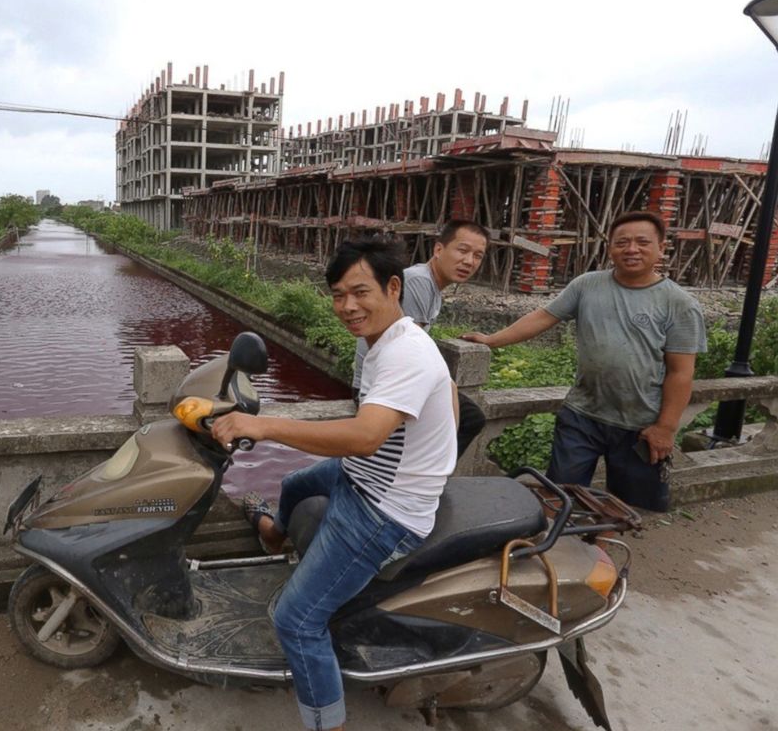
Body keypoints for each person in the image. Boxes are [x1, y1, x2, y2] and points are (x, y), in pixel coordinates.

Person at [212, 239, 457, 731]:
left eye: (359, 292)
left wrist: (263, 425)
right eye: (338, 294)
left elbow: (366, 437)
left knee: (296, 622)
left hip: (383, 510)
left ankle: (329, 724)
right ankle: (275, 534)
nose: (347, 306)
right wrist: (436, 453)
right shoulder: (382, 341)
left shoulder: (406, 351)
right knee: (299, 482)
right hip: (368, 477)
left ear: (393, 288)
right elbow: (448, 389)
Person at [462, 210, 706, 511]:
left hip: (640, 423)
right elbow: (543, 316)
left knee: (624, 504)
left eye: (642, 242)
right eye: (622, 242)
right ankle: (561, 550)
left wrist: (666, 428)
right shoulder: (588, 285)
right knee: (562, 492)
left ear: (661, 247)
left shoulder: (679, 304)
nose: (631, 249)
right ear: (610, 247)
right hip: (582, 413)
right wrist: (492, 340)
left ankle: (602, 551)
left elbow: (681, 373)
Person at [352, 220, 489, 458]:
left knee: (463, 417)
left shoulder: (430, 286)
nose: (469, 261)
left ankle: (427, 476)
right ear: (438, 250)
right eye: (462, 250)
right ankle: (427, 478)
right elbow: (412, 352)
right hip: (381, 384)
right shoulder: (419, 281)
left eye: (478, 255)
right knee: (470, 418)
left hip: (397, 379)